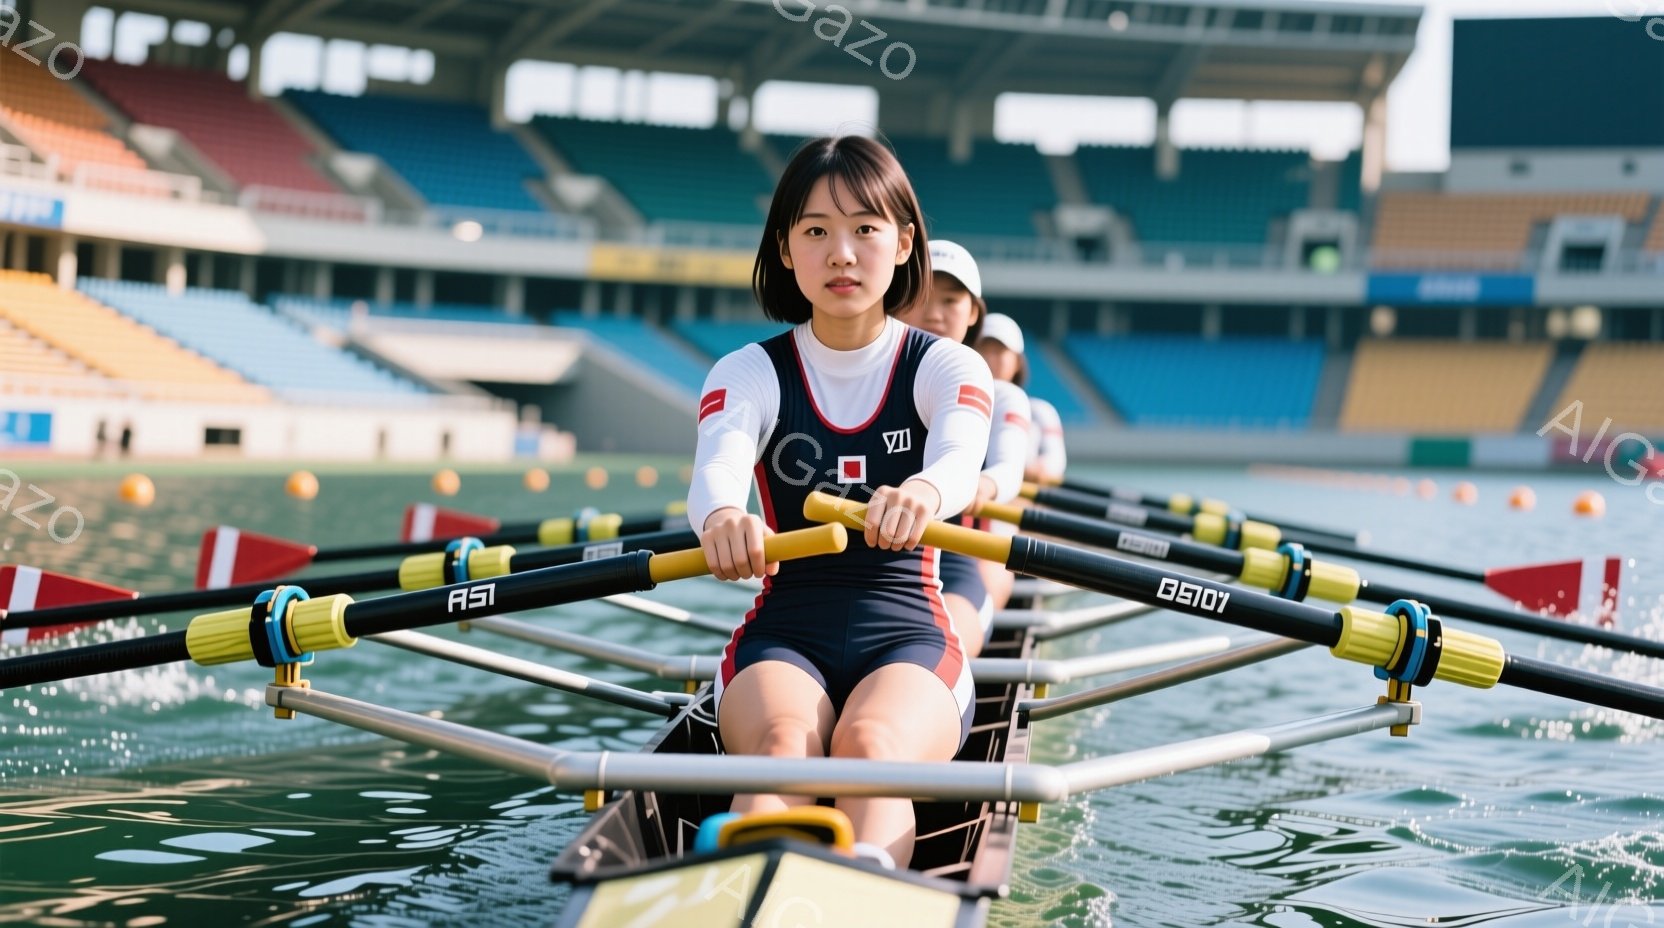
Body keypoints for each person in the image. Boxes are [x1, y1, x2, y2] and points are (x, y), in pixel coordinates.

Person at [687, 136, 994, 869]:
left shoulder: (948, 364)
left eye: (865, 228)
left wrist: (923, 491)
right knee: (784, 746)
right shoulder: (749, 370)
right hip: (782, 634)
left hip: (914, 634)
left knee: (868, 747)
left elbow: (959, 459)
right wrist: (725, 518)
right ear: (786, 250)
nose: (843, 253)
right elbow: (716, 471)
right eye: (816, 231)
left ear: (904, 241)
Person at [895, 240, 1030, 655]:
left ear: (973, 313)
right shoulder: (863, 378)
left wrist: (979, 488)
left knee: (939, 652)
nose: (934, 313)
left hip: (960, 556)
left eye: (950, 300)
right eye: (921, 297)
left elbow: (1009, 472)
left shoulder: (1001, 394)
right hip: (862, 565)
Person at [974, 313, 1067, 485]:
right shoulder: (959, 402)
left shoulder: (1041, 411)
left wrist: (1013, 471)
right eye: (983, 350)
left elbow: (1054, 466)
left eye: (998, 351)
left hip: (1016, 499)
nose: (989, 358)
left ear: (1017, 362)